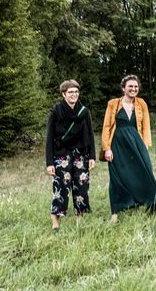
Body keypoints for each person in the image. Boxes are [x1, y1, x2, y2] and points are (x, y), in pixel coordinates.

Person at [101, 75, 156, 223]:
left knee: (145, 171)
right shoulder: (113, 104)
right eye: (130, 86)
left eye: (136, 87)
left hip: (136, 142)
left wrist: (145, 144)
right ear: (123, 88)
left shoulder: (141, 103)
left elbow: (146, 125)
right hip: (117, 143)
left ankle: (152, 204)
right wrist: (107, 148)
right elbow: (106, 126)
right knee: (117, 176)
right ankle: (116, 211)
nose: (133, 89)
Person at [45, 79, 95, 230]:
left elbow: (91, 136)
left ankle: (80, 219)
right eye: (70, 92)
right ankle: (55, 221)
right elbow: (49, 138)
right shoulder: (56, 112)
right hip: (61, 155)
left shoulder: (84, 112)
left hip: (80, 154)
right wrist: (49, 163)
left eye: (76, 92)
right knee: (61, 187)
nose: (74, 94)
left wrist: (92, 156)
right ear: (63, 94)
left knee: (81, 186)